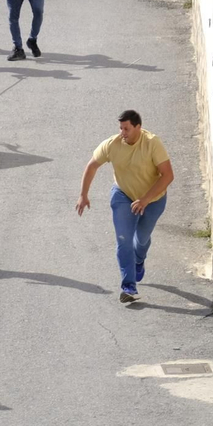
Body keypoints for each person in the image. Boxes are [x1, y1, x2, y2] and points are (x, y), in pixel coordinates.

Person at [75, 109, 175, 303]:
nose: (123, 132)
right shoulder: (112, 144)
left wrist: (145, 199)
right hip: (123, 195)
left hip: (153, 199)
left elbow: (168, 175)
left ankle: (139, 260)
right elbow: (92, 166)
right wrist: (83, 195)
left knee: (142, 238)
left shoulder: (152, 143)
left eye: (127, 128)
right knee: (124, 239)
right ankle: (128, 287)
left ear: (138, 127)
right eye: (121, 128)